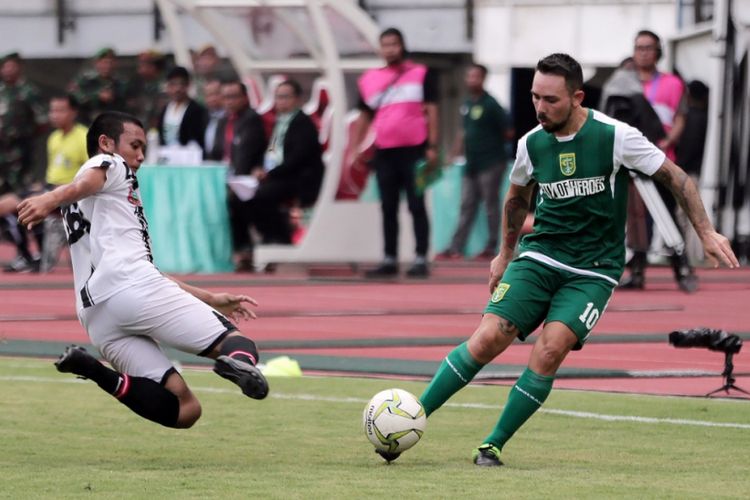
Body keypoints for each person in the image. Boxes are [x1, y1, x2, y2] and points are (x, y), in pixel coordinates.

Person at [411, 53, 738, 467]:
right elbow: (516, 199)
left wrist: (705, 232)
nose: (540, 108)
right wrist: (504, 254)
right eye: (534, 98)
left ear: (577, 97)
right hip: (541, 255)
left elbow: (676, 178)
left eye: (551, 100)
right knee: (489, 337)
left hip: (593, 270)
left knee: (550, 349)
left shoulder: (616, 136)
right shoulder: (531, 143)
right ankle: (409, 418)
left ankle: (492, 444)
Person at [16, 111, 269, 429]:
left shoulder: (94, 202)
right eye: (135, 145)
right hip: (132, 287)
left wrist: (211, 298)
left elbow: (143, 272)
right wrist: (50, 197)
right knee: (238, 343)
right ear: (106, 143)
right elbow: (93, 177)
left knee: (185, 410)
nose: (140, 155)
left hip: (97, 316)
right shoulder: (109, 165)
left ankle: (93, 369)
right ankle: (241, 365)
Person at [352, 27, 440, 279]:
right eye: (385, 45)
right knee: (388, 206)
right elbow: (364, 115)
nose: (390, 49)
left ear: (402, 46)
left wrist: (432, 146)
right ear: (380, 49)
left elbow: (432, 110)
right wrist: (357, 147)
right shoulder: (369, 79)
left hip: (415, 149)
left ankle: (421, 257)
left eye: (394, 44)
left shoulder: (421, 73)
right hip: (385, 152)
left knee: (416, 205)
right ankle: (389, 258)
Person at [619, 30, 697, 292]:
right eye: (639, 47)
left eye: (648, 48)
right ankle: (637, 272)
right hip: (630, 162)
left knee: (667, 215)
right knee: (636, 219)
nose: (643, 52)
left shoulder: (673, 83)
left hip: (661, 159)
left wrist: (667, 143)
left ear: (658, 51)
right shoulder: (624, 83)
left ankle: (683, 269)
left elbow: (680, 119)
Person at [436, 63, 510, 262]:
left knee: (490, 205)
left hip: (491, 163)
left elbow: (508, 131)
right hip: (472, 164)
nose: (471, 80)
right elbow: (463, 132)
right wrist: (453, 154)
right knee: (467, 205)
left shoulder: (491, 104)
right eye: (469, 76)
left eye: (475, 76)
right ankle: (455, 247)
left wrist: (491, 146)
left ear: (483, 78)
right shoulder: (467, 104)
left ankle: (492, 246)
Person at [249, 79, 324, 244]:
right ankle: (270, 236)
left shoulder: (303, 123)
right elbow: (272, 151)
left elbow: (297, 158)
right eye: (278, 97)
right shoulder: (280, 121)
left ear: (297, 99)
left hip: (298, 178)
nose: (281, 101)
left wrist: (269, 173)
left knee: (263, 196)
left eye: (285, 97)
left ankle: (278, 237)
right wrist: (261, 169)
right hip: (279, 174)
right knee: (245, 196)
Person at [210, 80, 267, 271]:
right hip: (222, 175)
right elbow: (215, 152)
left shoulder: (251, 119)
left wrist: (231, 179)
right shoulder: (222, 120)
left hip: (246, 177)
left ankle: (243, 248)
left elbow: (247, 155)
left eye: (233, 97)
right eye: (225, 97)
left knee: (235, 199)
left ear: (244, 98)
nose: (229, 101)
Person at [0, 52, 47, 272]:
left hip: (23, 160)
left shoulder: (29, 92)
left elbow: (41, 122)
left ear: (19, 67)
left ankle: (39, 254)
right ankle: (23, 253)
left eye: (11, 66)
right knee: (7, 208)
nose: (7, 70)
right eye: (4, 67)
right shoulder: (2, 92)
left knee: (26, 203)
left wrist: (24, 139)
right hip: (3, 161)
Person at [40, 94, 89, 271]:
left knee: (17, 203)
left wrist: (65, 188)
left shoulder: (84, 137)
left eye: (60, 110)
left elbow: (90, 173)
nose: (55, 115)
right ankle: (30, 257)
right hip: (50, 188)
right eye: (52, 110)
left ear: (73, 112)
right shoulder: (53, 138)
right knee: (16, 204)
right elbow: (52, 172)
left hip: (70, 193)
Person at [69, 48, 126, 125]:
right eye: (104, 63)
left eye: (110, 63)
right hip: (86, 123)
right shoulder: (86, 80)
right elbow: (75, 97)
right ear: (97, 63)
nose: (107, 66)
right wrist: (97, 97)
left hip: (111, 124)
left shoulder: (119, 83)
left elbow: (124, 103)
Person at [157, 66, 207, 151]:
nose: (177, 89)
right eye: (173, 84)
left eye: (181, 84)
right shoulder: (165, 109)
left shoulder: (196, 110)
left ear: (188, 85)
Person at [126, 50, 167, 132]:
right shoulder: (135, 83)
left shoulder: (164, 85)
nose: (139, 68)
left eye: (143, 64)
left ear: (153, 67)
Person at [202, 78, 225, 160]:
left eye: (216, 94)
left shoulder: (231, 117)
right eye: (208, 95)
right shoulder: (203, 116)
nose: (213, 98)